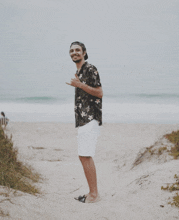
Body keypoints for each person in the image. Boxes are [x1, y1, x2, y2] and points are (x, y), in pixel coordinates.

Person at [66, 41, 103, 203]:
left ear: (84, 52)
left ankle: (94, 195)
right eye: (72, 50)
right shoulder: (79, 71)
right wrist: (79, 83)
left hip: (90, 118)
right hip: (83, 119)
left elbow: (99, 93)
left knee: (85, 155)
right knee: (83, 156)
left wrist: (79, 85)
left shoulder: (90, 69)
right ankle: (91, 193)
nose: (74, 53)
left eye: (77, 50)